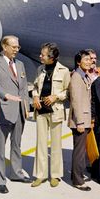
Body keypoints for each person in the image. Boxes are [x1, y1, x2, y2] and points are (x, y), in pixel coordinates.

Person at [0, 35, 30, 194]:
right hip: (3, 110)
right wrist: (5, 95)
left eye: (18, 47)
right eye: (14, 47)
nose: (16, 50)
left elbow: (24, 87)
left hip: (19, 111)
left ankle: (16, 173)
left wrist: (26, 106)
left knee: (16, 145)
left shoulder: (20, 64)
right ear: (4, 47)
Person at [31, 43, 70, 187]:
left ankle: (55, 175)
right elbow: (35, 87)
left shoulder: (64, 71)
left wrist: (55, 97)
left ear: (51, 57)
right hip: (41, 110)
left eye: (43, 54)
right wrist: (35, 96)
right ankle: (40, 175)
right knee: (40, 144)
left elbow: (67, 91)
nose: (40, 56)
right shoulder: (40, 69)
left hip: (56, 111)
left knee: (56, 144)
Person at [68, 50, 93, 191]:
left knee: (80, 150)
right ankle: (78, 180)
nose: (89, 62)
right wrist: (80, 122)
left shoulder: (85, 76)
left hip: (84, 118)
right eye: (86, 60)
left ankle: (76, 175)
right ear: (79, 62)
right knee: (79, 151)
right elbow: (76, 101)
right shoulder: (77, 77)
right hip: (80, 120)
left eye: (90, 60)